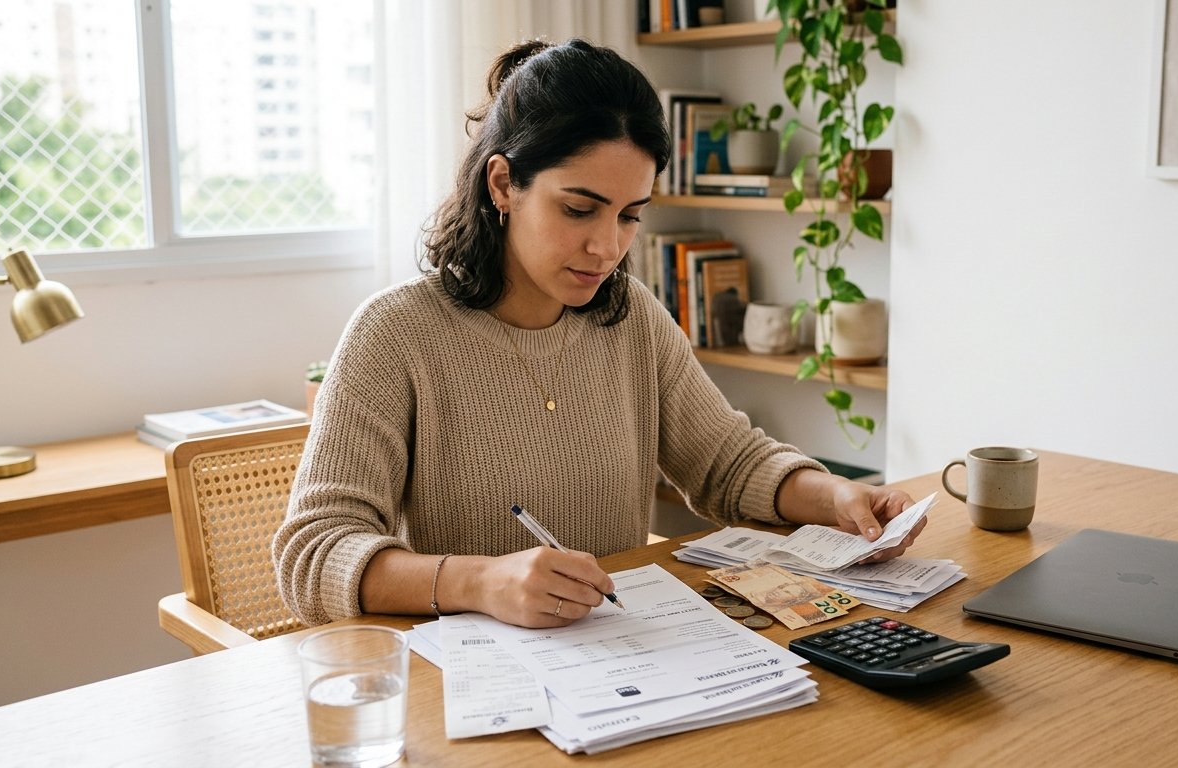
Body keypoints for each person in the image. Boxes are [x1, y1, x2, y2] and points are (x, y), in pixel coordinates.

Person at [272, 38, 927, 631]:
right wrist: (481, 581)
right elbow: (314, 552)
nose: (606, 246)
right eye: (578, 209)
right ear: (504, 184)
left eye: (630, 216)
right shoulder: (396, 334)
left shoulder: (630, 317)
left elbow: (729, 462)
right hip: (478, 692)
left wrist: (836, 498)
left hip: (621, 666)